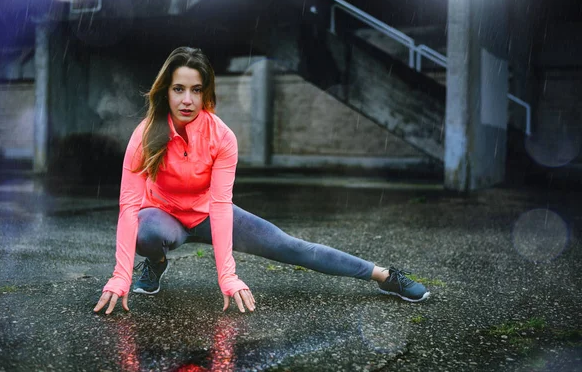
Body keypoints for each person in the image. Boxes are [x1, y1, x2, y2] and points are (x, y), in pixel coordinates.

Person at [93, 47, 430, 315]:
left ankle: (385, 276)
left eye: (196, 90)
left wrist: (227, 276)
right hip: (162, 217)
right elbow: (128, 206)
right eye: (179, 89)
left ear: (205, 93)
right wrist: (120, 275)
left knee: (292, 247)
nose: (187, 100)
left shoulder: (221, 137)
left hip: (209, 212)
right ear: (166, 91)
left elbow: (222, 207)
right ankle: (155, 263)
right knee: (144, 228)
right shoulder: (144, 135)